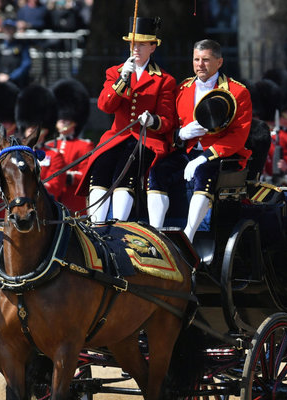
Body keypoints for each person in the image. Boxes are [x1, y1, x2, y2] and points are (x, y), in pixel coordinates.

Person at [76, 16, 177, 223]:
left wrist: (152, 121)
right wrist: (122, 81)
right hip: (118, 136)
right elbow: (105, 105)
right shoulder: (115, 72)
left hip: (146, 139)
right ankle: (96, 223)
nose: (135, 49)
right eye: (132, 44)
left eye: (141, 44)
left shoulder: (165, 80)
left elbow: (167, 120)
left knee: (127, 168)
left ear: (152, 47)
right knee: (100, 165)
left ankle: (119, 224)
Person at [169, 39, 252, 240]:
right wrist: (179, 135)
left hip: (220, 156)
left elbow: (238, 136)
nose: (200, 64)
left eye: (205, 60)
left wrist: (204, 157)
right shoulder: (182, 89)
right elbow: (172, 124)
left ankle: (189, 235)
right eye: (196, 59)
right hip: (187, 151)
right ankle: (156, 231)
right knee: (157, 170)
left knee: (203, 171)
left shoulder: (237, 91)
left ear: (219, 62)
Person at [15, 83, 67, 202]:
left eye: (35, 128)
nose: (31, 131)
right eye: (29, 127)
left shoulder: (55, 156)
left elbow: (55, 186)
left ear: (45, 129)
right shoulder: (16, 154)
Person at [49, 78, 94, 213]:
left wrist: (67, 177)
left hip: (73, 204)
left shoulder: (84, 146)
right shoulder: (48, 146)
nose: (62, 122)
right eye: (60, 119)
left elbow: (86, 175)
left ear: (75, 121)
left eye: (66, 119)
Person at [0, 18, 32, 90]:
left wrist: (10, 77)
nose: (8, 31)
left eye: (10, 28)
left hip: (16, 84)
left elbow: (26, 64)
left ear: (14, 29)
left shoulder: (22, 46)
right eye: (6, 28)